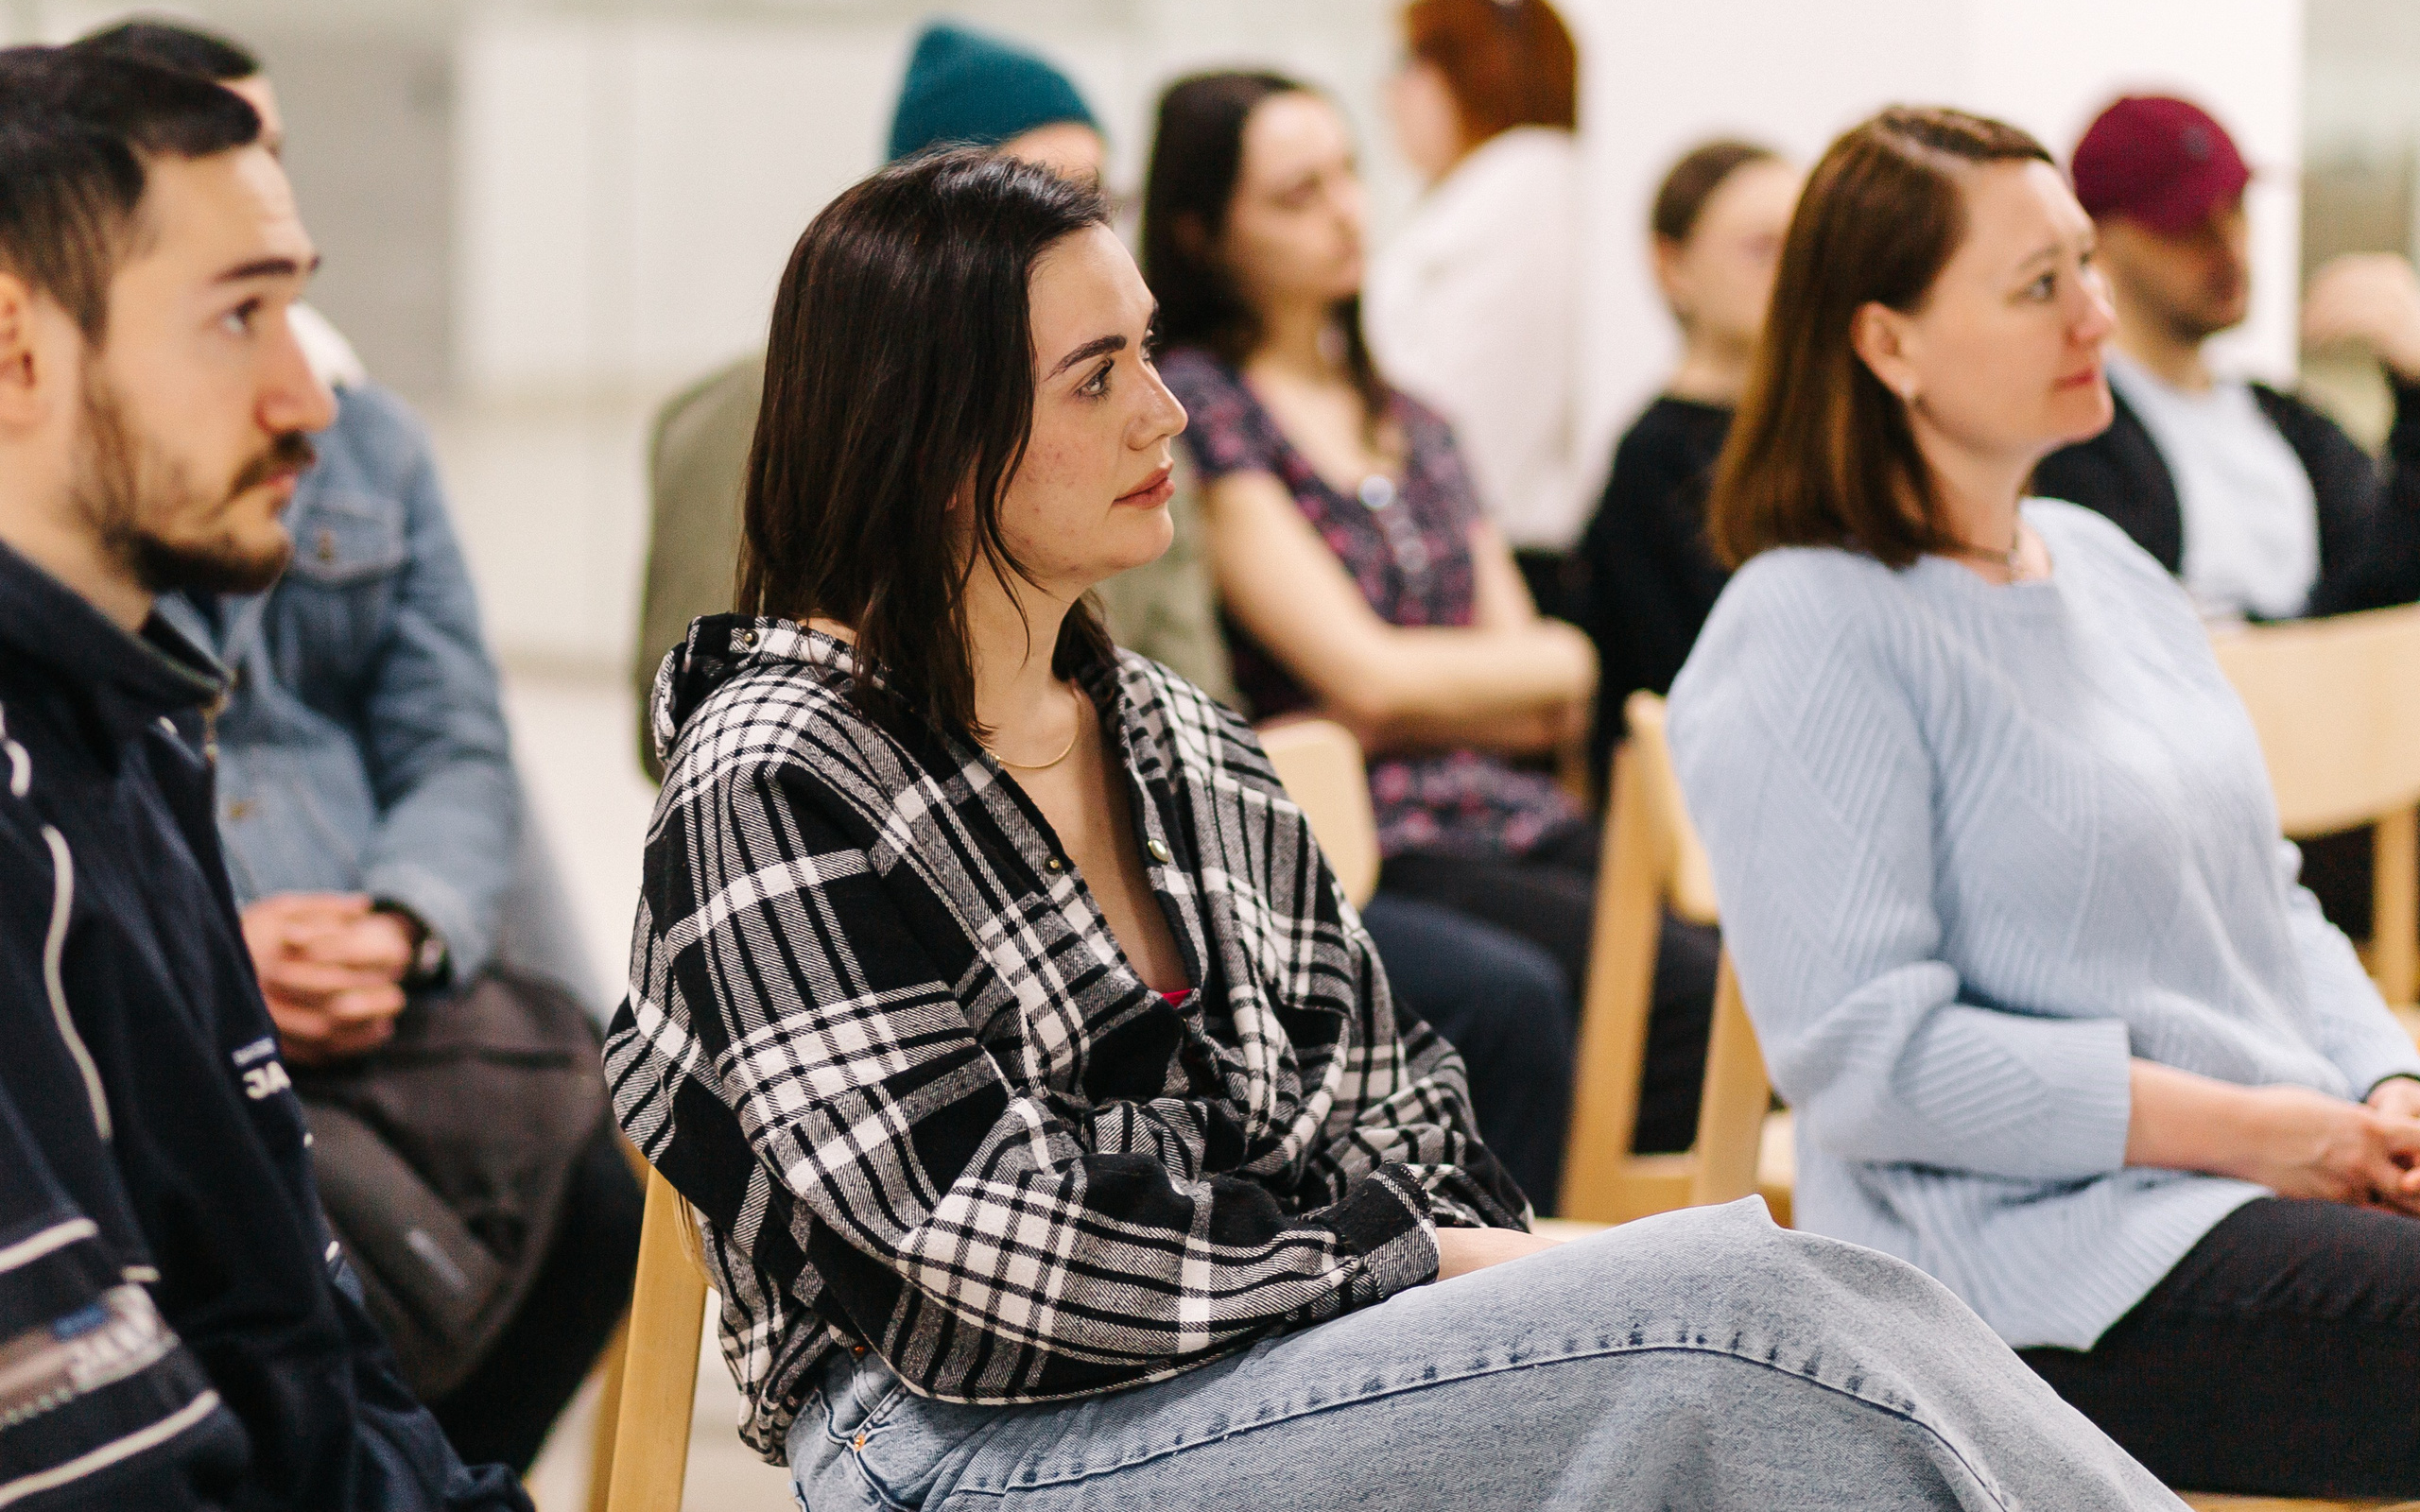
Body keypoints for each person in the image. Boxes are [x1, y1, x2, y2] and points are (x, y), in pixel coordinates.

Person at [607, 144, 2185, 1512]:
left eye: (1148, 351)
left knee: (1814, 1294)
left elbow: (1402, 1104)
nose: (1167, 411)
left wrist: (1454, 1276)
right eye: (1098, 377)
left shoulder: (1171, 736)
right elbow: (987, 1250)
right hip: (961, 1445)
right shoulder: (776, 771)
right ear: (938, 448)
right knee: (1729, 1334)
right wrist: (1411, 1263)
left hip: (1263, 1359)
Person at [1670, 104, 2420, 1499]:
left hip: (2259, 1179)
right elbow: (1873, 1063)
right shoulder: (1811, 623)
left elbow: (2268, 900)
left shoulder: (2103, 564)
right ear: (1887, 343)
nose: (2095, 313)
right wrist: (2275, 1133)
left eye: (2086, 264)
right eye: (2038, 285)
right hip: (2021, 1278)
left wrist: (2385, 1085)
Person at [73, 19, 640, 1475]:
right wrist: (225, 952)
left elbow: (457, 740)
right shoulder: (84, 500)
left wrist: (402, 924)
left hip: (377, 968)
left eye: (266, 151)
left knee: (605, 1160)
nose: (257, 188)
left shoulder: (369, 443)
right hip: (209, 969)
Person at [0, 42, 526, 1509]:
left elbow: (313, 1358)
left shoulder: (137, 738)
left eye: (294, 303)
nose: (309, 397)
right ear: (16, 348)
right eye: (240, 315)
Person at [1144, 68, 1718, 1187]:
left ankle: (1639, 1239)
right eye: (1296, 195)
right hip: (1377, 830)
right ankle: (1581, 1252)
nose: (1345, 213)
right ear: (1205, 233)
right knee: (1646, 988)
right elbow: (1367, 680)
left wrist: (1449, 681)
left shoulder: (1415, 418)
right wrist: (1463, 680)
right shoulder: (1202, 408)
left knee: (1739, 961)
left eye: (1348, 175)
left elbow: (1559, 681)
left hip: (1509, 810)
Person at [630, 19, 1233, 780]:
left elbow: (1198, 697)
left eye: (1095, 197)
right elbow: (690, 710)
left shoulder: (1139, 407)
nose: (1076, 230)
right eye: (1030, 196)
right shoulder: (749, 413)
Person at [2036, 94, 2420, 943]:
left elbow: (2388, 590)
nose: (2230, 246)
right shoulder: (2070, 441)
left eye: (2236, 210)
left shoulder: (2284, 422)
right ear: (2102, 240)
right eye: (2188, 225)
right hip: (2194, 823)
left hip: (2347, 788)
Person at [1365, 0, 1591, 619]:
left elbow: (1462, 421)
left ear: (1477, 70)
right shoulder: (1495, 194)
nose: (1388, 92)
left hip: (1490, 557)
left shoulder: (1525, 188)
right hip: (1473, 545)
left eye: (1407, 63)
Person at [1575, 139, 1796, 790]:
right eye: (1762, 248)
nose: (1793, 275)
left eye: (1807, 248)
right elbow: (1700, 678)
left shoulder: (1829, 437)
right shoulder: (1655, 458)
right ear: (1673, 266)